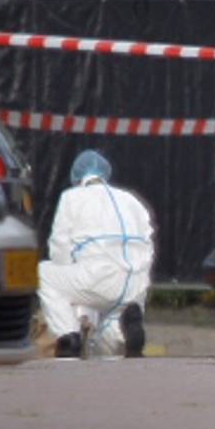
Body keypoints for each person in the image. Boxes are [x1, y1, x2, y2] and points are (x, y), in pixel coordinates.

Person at [38, 149, 155, 359]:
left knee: (43, 272)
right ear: (105, 174)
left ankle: (68, 337)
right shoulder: (131, 200)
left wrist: (72, 276)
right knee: (105, 340)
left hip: (97, 277)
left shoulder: (71, 198)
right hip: (135, 285)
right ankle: (124, 332)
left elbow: (59, 249)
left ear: (77, 178)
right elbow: (148, 243)